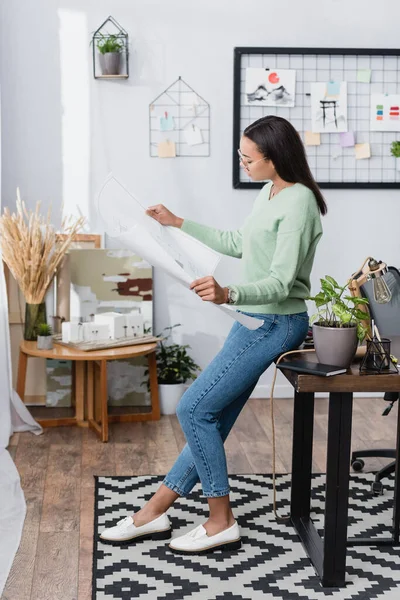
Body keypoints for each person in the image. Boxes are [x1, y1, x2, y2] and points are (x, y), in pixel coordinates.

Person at [99, 115, 327, 555]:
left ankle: (220, 519)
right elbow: (239, 242)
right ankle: (156, 510)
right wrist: (178, 222)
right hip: (253, 319)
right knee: (212, 416)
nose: (243, 163)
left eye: (248, 157)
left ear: (274, 157)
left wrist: (229, 291)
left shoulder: (298, 203)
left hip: (276, 323)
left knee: (193, 408)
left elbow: (281, 282)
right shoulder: (270, 192)